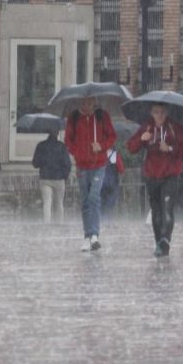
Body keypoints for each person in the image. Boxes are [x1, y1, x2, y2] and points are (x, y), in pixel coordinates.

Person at [127, 104, 183, 256]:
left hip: (171, 174)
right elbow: (131, 147)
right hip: (152, 175)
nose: (160, 116)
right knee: (156, 211)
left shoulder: (174, 127)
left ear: (167, 112)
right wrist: (141, 139)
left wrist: (169, 148)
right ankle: (158, 243)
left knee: (167, 208)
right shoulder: (146, 127)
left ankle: (165, 240)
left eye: (162, 112)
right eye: (156, 112)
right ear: (151, 113)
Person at [65, 96, 116, 252]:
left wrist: (100, 146)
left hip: (99, 164)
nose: (87, 105)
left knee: (94, 196)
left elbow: (112, 136)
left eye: (90, 102)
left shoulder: (102, 116)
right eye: (84, 102)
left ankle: (94, 234)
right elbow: (68, 140)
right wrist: (78, 153)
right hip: (82, 166)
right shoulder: (73, 118)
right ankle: (87, 235)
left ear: (95, 102)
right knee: (85, 199)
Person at [31, 129, 71, 223]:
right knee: (59, 204)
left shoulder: (41, 145)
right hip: (59, 178)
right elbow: (67, 164)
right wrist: (64, 176)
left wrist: (44, 162)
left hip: (45, 178)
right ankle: (59, 224)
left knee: (47, 202)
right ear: (57, 133)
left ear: (48, 133)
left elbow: (35, 163)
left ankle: (47, 224)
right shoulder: (62, 146)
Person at [100, 146, 124, 218]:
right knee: (110, 204)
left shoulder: (99, 154)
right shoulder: (115, 155)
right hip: (113, 184)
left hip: (101, 184)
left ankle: (101, 220)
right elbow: (121, 169)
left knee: (101, 204)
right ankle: (108, 220)